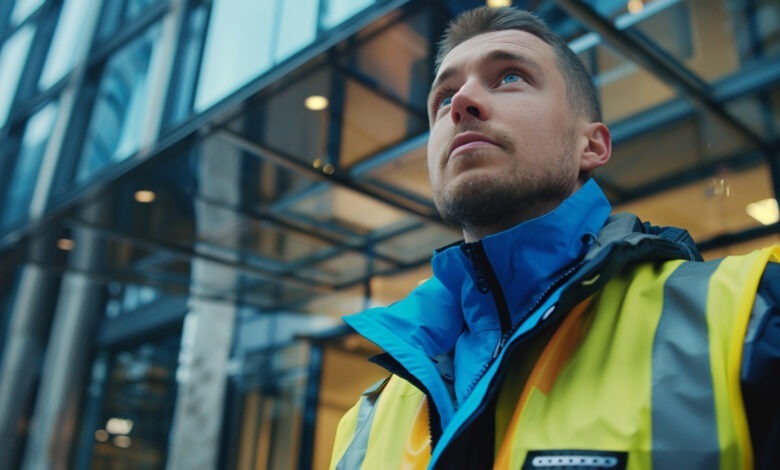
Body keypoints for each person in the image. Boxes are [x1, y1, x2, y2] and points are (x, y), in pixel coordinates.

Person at [330, 6, 779, 469]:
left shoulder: (753, 317)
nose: (462, 102)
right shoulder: (364, 421)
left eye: (508, 78)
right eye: (444, 97)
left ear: (593, 145)